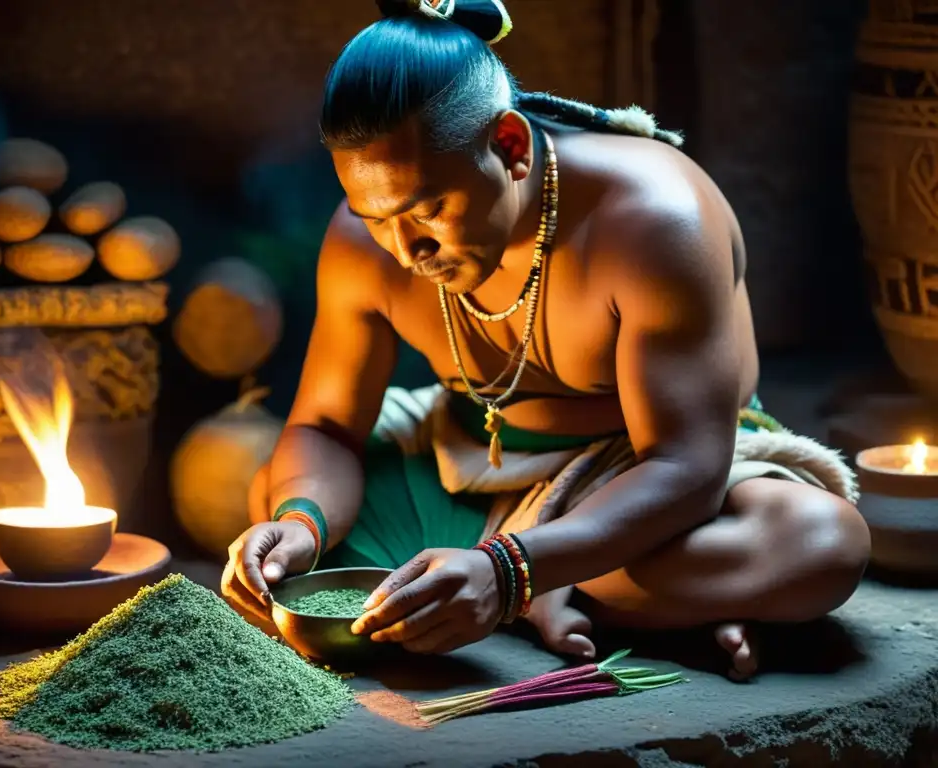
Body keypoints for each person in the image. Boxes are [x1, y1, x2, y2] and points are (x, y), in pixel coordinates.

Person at [222, 0, 870, 681]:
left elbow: (685, 467)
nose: (405, 248)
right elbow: (325, 427)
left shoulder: (653, 218)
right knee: (274, 510)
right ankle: (588, 593)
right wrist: (300, 525)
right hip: (468, 461)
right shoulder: (367, 243)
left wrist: (508, 569)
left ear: (510, 147)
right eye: (375, 216)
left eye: (429, 210)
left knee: (821, 546)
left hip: (642, 474)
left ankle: (535, 578)